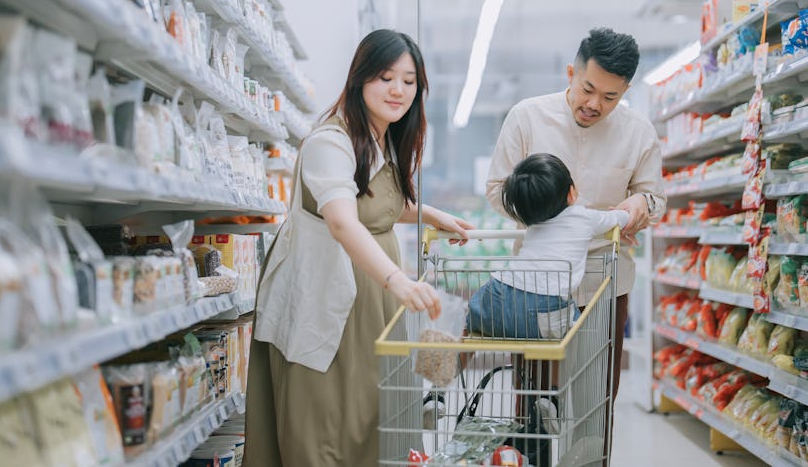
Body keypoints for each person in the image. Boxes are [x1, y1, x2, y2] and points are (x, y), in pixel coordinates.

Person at [244, 29, 473, 467]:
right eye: (386, 77)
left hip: (372, 302)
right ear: (359, 78)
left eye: (409, 81)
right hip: (328, 302)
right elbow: (342, 220)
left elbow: (375, 203)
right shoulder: (330, 142)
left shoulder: (382, 136)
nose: (398, 90)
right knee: (326, 427)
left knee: (374, 419)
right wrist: (396, 279)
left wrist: (430, 215)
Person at [485, 27, 666, 406]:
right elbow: (497, 189)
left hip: (605, 286)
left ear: (626, 91)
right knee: (533, 400)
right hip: (535, 285)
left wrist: (639, 205)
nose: (595, 104)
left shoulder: (639, 133)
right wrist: (552, 217)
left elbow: (654, 199)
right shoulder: (527, 118)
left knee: (597, 404)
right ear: (571, 73)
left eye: (610, 97)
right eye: (588, 89)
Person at [468, 153, 630, 340]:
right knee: (574, 337)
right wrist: (627, 214)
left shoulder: (532, 222)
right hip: (546, 308)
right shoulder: (582, 217)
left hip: (499, 295)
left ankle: (461, 348)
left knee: (474, 320)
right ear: (571, 193)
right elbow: (617, 218)